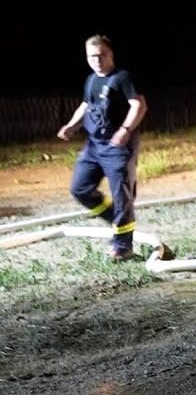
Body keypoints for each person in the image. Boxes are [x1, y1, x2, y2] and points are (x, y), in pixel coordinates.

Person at [57, 35, 148, 261]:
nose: (97, 60)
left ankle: (122, 248)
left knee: (122, 198)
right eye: (92, 56)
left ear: (111, 55)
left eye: (101, 55)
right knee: (80, 189)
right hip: (94, 147)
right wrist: (71, 125)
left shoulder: (122, 78)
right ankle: (116, 220)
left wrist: (125, 130)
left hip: (118, 147)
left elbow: (139, 104)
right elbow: (86, 105)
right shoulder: (91, 80)